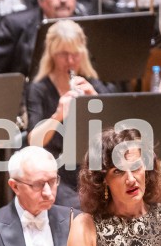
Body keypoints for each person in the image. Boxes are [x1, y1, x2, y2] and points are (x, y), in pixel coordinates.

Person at [27, 20, 110, 208]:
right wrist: (58, 114)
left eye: (75, 54)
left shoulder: (91, 84)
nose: (71, 61)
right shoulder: (39, 88)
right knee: (79, 207)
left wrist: (97, 100)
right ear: (52, 54)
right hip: (56, 170)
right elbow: (34, 141)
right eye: (64, 55)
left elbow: (116, 130)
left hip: (89, 166)